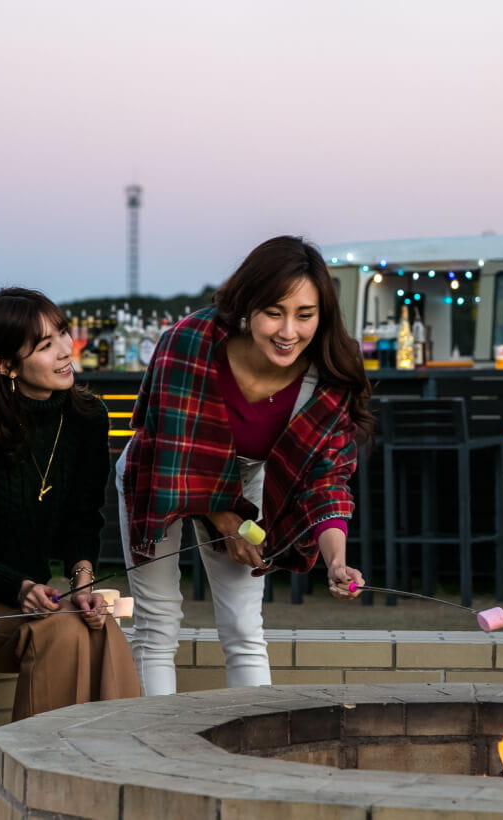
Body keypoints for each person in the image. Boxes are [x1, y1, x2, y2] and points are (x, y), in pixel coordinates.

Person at [117, 235, 373, 696]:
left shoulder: (332, 369)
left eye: (305, 315)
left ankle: (252, 754)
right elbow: (171, 449)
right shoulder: (188, 342)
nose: (288, 331)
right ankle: (151, 752)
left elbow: (327, 478)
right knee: (157, 623)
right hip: (161, 472)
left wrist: (337, 560)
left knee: (242, 624)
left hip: (250, 480)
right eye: (274, 312)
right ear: (247, 307)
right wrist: (222, 519)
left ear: (324, 315)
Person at [0, 287, 139, 720]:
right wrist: (18, 587)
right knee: (66, 631)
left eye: (61, 333)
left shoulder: (87, 417)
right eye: (44, 345)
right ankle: (46, 772)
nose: (65, 351)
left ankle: (114, 763)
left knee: (100, 626)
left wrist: (82, 583)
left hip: (35, 599)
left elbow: (82, 519)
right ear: (4, 365)